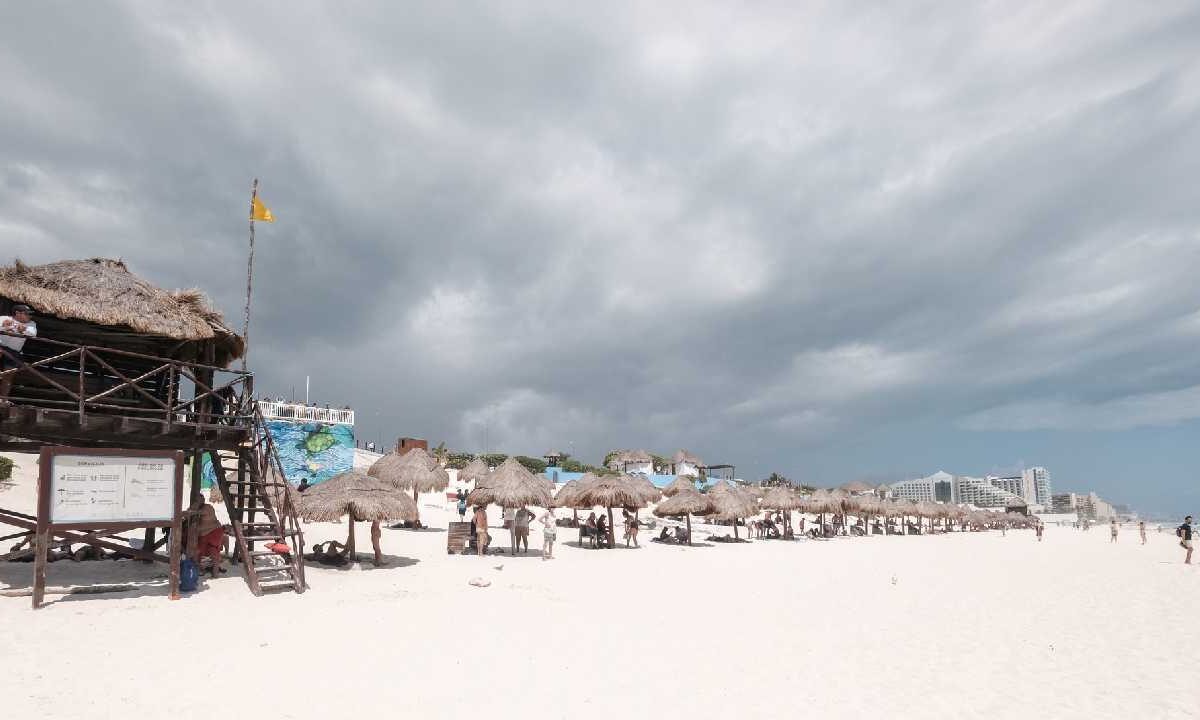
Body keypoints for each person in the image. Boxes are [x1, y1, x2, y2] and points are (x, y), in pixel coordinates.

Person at [0, 304, 37, 406]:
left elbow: (33, 334)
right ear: (18, 313)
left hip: (14, 352)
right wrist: (4, 326)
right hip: (1, 347)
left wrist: (24, 329)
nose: (30, 316)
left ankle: (3, 400)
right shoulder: (4, 318)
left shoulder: (31, 324)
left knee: (8, 376)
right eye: (27, 314)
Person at [193, 501, 226, 578]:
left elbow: (202, 513)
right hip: (214, 531)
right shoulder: (207, 507)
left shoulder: (206, 507)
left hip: (211, 533)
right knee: (213, 553)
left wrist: (193, 510)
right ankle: (214, 572)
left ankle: (203, 570)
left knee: (199, 551)